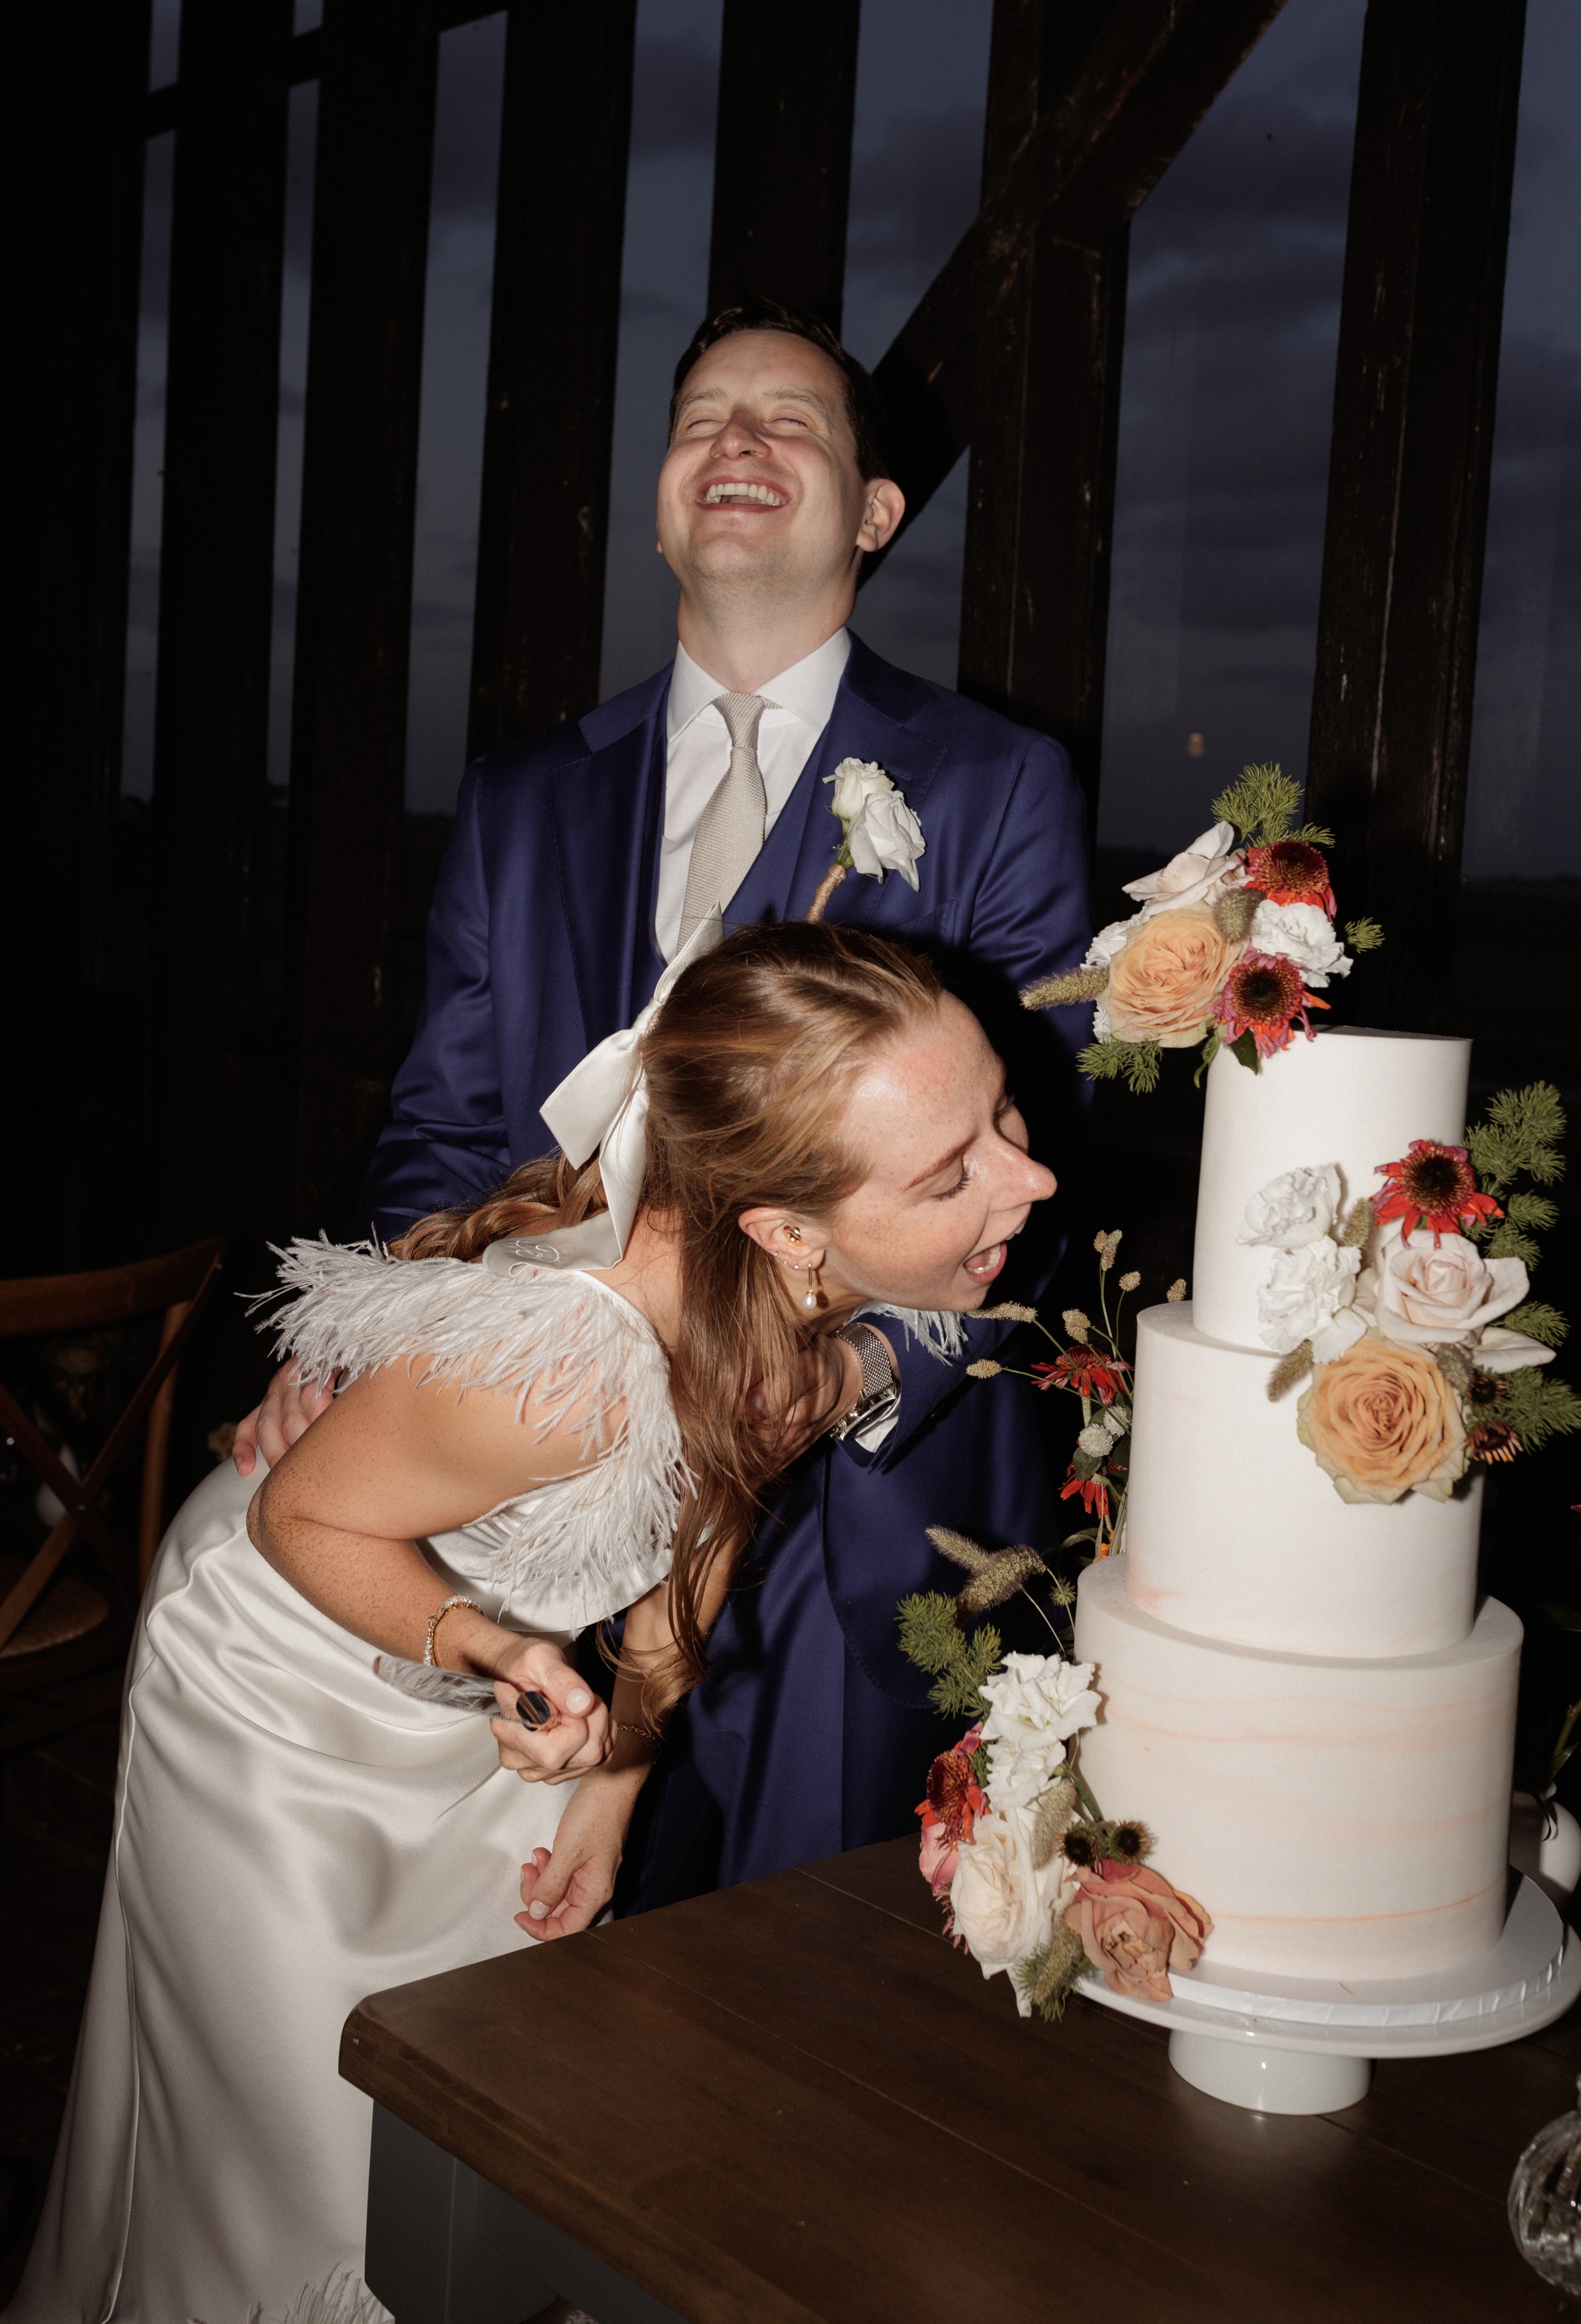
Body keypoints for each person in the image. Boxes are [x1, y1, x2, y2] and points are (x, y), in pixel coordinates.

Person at [7, 922, 1057, 2324]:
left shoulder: (784, 1303)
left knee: (464, 2107)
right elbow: (298, 1523)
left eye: (1002, 1113)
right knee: (318, 2139)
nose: (1031, 1177)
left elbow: (707, 1521)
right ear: (785, 1227)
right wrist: (493, 1649)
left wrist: (616, 1779)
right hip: (282, 1681)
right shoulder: (571, 1369)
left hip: (490, 1702)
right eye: (954, 1171)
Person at [236, 297, 1092, 1907]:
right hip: (527, 1494)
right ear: (660, 495)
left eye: (790, 421)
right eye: (703, 418)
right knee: (506, 1951)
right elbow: (442, 1124)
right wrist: (356, 1349)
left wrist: (839, 1371)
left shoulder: (997, 783)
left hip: (859, 1515)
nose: (737, 443)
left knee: (791, 2011)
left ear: (877, 511)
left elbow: (1034, 1165)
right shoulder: (522, 798)